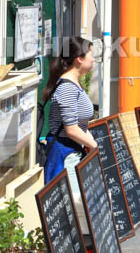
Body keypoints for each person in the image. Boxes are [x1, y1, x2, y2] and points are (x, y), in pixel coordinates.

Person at [41, 37, 98, 185]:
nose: (93, 60)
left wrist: (91, 144)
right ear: (79, 59)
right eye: (91, 55)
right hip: (65, 155)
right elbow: (71, 129)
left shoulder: (74, 84)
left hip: (72, 151)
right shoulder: (67, 88)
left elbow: (80, 125)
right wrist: (95, 147)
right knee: (73, 198)